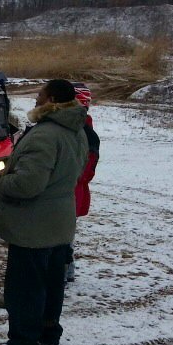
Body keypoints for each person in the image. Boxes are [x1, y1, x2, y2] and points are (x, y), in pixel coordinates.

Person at [0, 78, 88, 345]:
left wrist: (2, 184)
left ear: (52, 100)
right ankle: (48, 332)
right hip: (60, 222)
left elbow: (28, 184)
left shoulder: (45, 135)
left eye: (40, 94)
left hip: (33, 227)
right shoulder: (76, 130)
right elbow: (77, 170)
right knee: (52, 284)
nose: (35, 98)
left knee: (24, 290)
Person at [67, 82, 100, 283]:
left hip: (71, 192)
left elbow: (86, 170)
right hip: (72, 191)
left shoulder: (85, 132)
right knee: (64, 235)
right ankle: (66, 271)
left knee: (63, 237)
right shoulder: (83, 129)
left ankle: (63, 273)